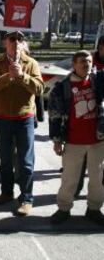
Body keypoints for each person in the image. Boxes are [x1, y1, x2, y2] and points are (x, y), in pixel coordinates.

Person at [0, 30, 44, 216]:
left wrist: (22, 76)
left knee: (25, 162)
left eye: (20, 39)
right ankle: (7, 193)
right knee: (5, 160)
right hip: (2, 120)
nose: (16, 42)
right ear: (5, 43)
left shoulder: (31, 63)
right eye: (12, 39)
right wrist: (7, 76)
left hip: (24, 119)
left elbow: (40, 88)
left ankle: (26, 198)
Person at [49, 51, 104, 226]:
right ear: (74, 64)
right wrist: (57, 140)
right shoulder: (62, 87)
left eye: (89, 61)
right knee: (69, 179)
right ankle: (64, 209)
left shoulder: (100, 82)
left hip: (98, 141)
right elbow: (55, 115)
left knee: (97, 179)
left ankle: (94, 209)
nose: (86, 64)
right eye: (82, 61)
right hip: (73, 141)